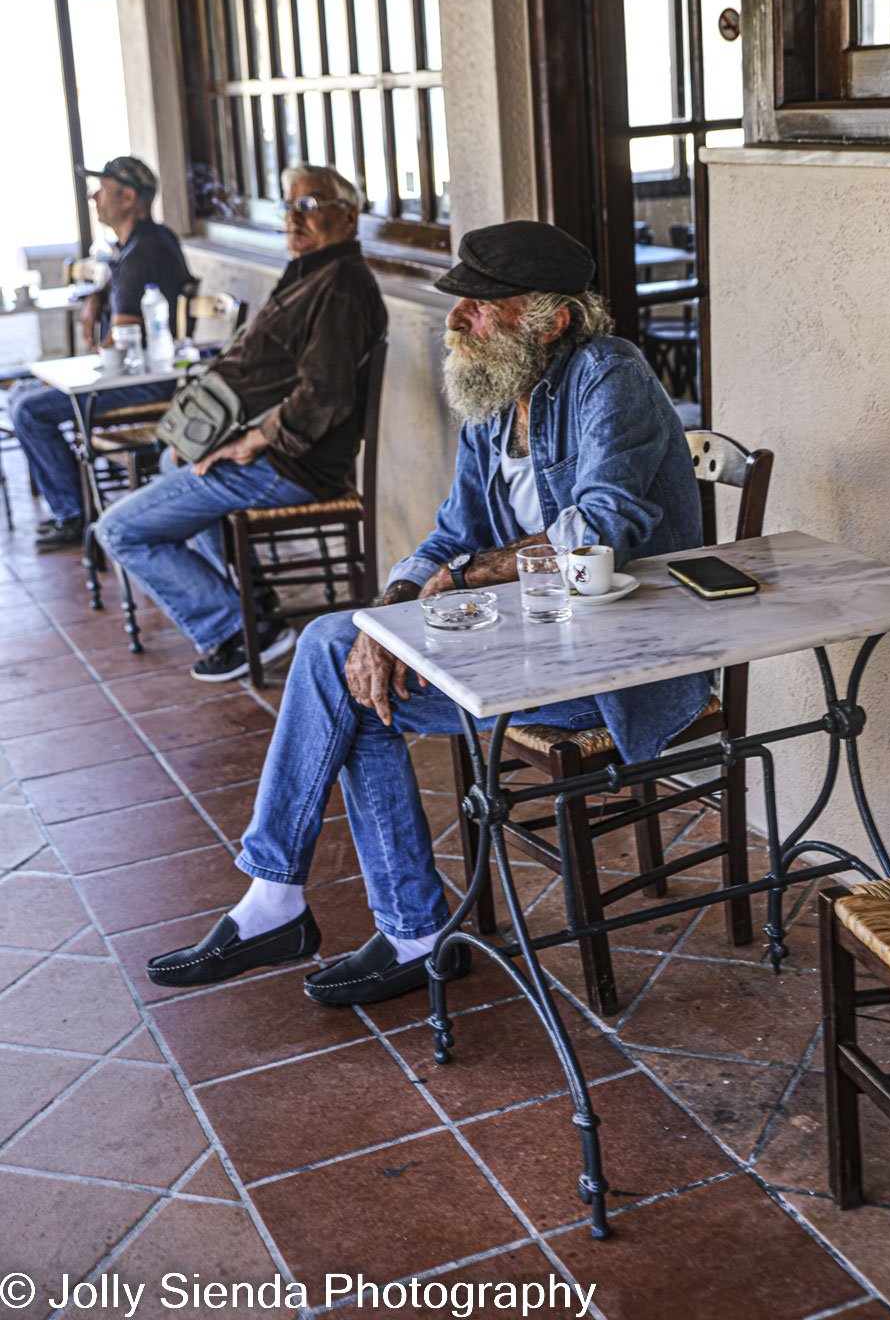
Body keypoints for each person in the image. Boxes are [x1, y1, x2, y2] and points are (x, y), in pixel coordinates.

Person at [145, 220, 709, 1008]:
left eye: (479, 306)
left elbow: (601, 528)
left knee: (330, 660)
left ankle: (311, 909)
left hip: (619, 664)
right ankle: (390, 927)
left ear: (549, 319)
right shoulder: (495, 394)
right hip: (529, 644)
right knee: (352, 670)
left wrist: (465, 573)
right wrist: (389, 620)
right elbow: (450, 532)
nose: (454, 320)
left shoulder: (607, 375)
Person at [96, 163, 387, 682]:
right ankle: (255, 606)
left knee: (118, 530)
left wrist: (249, 442)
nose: (296, 218)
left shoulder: (341, 285)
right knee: (171, 459)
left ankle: (231, 627)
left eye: (312, 205)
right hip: (274, 452)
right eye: (290, 206)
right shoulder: (312, 270)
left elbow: (324, 396)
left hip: (290, 465)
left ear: (350, 216)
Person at [11, 156, 191, 552]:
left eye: (104, 189)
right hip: (139, 375)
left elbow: (121, 336)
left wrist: (91, 354)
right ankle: (73, 507)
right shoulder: (141, 242)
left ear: (128, 197)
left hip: (148, 385)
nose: (94, 197)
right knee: (23, 394)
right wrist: (96, 295)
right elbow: (116, 291)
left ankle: (74, 515)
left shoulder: (145, 252)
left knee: (29, 410)